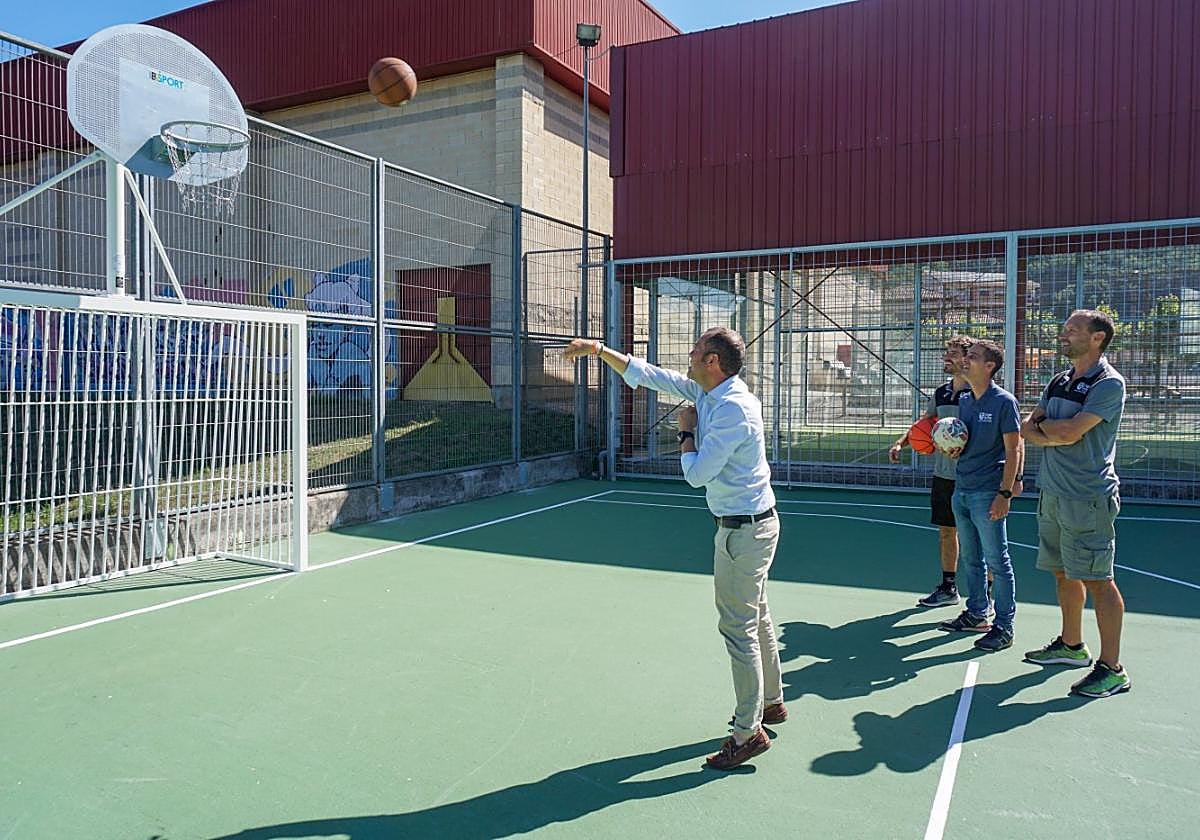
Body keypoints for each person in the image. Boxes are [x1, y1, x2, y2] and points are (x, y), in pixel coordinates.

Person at [564, 327, 783, 770]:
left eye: (696, 350)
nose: (688, 354)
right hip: (747, 528)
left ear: (712, 363)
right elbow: (651, 376)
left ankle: (747, 733)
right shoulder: (714, 393)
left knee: (738, 630)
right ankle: (772, 703)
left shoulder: (730, 410)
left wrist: (685, 434)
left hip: (744, 532)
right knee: (756, 616)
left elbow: (698, 473)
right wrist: (600, 350)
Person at [1020, 310, 1130, 698]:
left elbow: (1066, 432)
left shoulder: (1108, 383)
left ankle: (1112, 669)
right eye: (1064, 329)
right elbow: (1028, 426)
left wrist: (1048, 432)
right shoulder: (1059, 379)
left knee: (1099, 580)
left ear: (1097, 338)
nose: (1063, 334)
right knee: (1063, 572)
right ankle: (1071, 646)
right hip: (1052, 492)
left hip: (1087, 497)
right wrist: (1051, 432)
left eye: (1072, 330)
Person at [937, 340, 1024, 652]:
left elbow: (1015, 447)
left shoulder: (1003, 401)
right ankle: (976, 613)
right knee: (972, 559)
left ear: (990, 366)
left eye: (973, 357)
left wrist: (1006, 491)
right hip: (962, 487)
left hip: (988, 491)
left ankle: (1004, 626)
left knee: (997, 562)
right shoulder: (965, 400)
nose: (966, 361)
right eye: (967, 356)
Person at [889, 336, 974, 607]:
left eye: (954, 352)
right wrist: (902, 442)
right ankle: (949, 587)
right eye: (946, 351)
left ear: (967, 358)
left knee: (980, 537)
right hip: (944, 475)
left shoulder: (978, 393)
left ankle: (986, 595)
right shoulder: (941, 392)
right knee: (947, 531)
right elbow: (926, 423)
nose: (947, 357)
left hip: (973, 475)